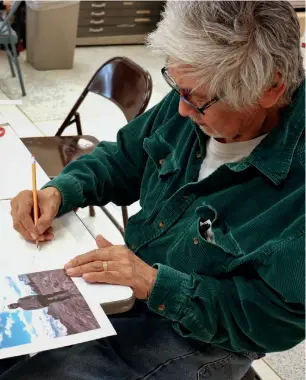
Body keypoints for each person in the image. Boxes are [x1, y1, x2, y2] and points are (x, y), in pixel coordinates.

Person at [3, 1, 305, 379]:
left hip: (203, 337)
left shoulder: (298, 195)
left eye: (195, 98)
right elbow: (124, 158)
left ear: (270, 88)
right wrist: (61, 191)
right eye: (176, 86)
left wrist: (154, 284)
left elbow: (275, 320)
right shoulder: (197, 98)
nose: (180, 110)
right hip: (134, 287)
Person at [7, 290, 74, 311]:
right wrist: (42, 306)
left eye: (12, 305)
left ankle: (64, 291)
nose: (14, 305)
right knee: (54, 300)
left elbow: (29, 296)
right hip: (41, 303)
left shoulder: (20, 300)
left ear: (13, 303)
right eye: (13, 307)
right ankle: (68, 297)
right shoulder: (24, 308)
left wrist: (36, 296)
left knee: (52, 294)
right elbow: (34, 308)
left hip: (38, 298)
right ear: (15, 308)